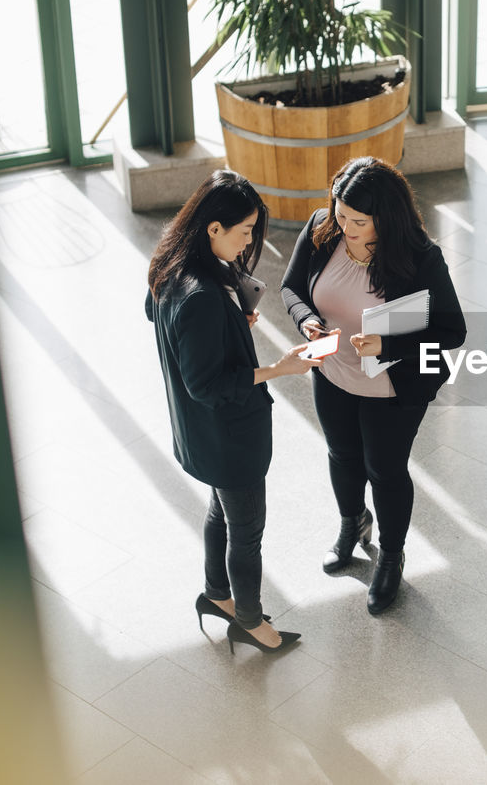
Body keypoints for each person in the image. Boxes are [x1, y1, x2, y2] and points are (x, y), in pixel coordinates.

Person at [282, 157, 466, 615]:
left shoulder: (419, 257)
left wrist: (386, 342)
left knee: (385, 470)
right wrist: (307, 323)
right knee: (342, 455)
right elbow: (291, 289)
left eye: (357, 220)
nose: (344, 225)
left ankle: (391, 555)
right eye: (340, 213)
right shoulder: (323, 228)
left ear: (385, 218)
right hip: (333, 373)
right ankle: (352, 524)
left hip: (393, 385)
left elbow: (453, 331)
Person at [146, 170, 318, 654]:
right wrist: (279, 370)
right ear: (213, 228)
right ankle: (249, 622)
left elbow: (158, 315)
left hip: (200, 433)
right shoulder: (201, 295)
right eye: (243, 231)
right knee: (246, 531)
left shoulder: (170, 265)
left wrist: (230, 324)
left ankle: (217, 595)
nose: (248, 243)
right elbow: (208, 384)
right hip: (228, 436)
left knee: (220, 511)